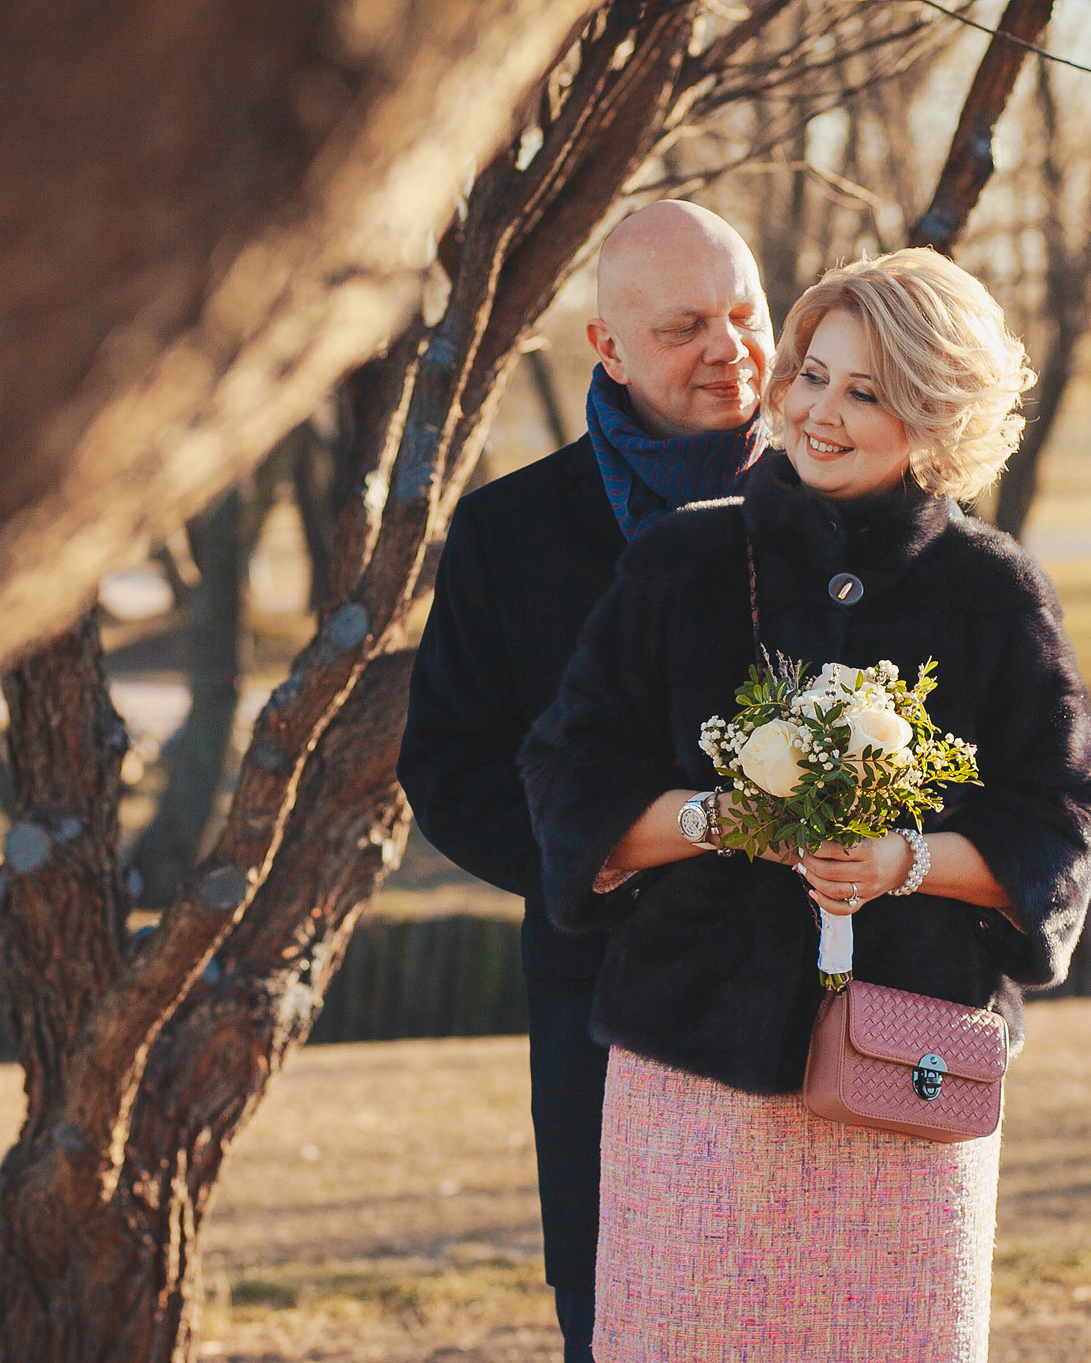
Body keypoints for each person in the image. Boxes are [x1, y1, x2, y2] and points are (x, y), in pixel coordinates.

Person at [519, 249, 1091, 1360]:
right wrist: (716, 818)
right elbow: (565, 777)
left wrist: (904, 860)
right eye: (810, 374)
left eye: (865, 390)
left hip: (912, 1078)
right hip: (692, 1072)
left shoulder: (994, 590)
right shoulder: (679, 561)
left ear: (933, 414)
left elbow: (1069, 818)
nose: (818, 411)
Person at [396, 199, 774, 1363]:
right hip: (603, 1008)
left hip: (822, 1006)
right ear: (606, 347)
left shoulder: (855, 504)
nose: (728, 348)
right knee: (622, 1327)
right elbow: (447, 763)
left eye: (744, 312)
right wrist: (608, 846)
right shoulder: (505, 532)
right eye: (682, 326)